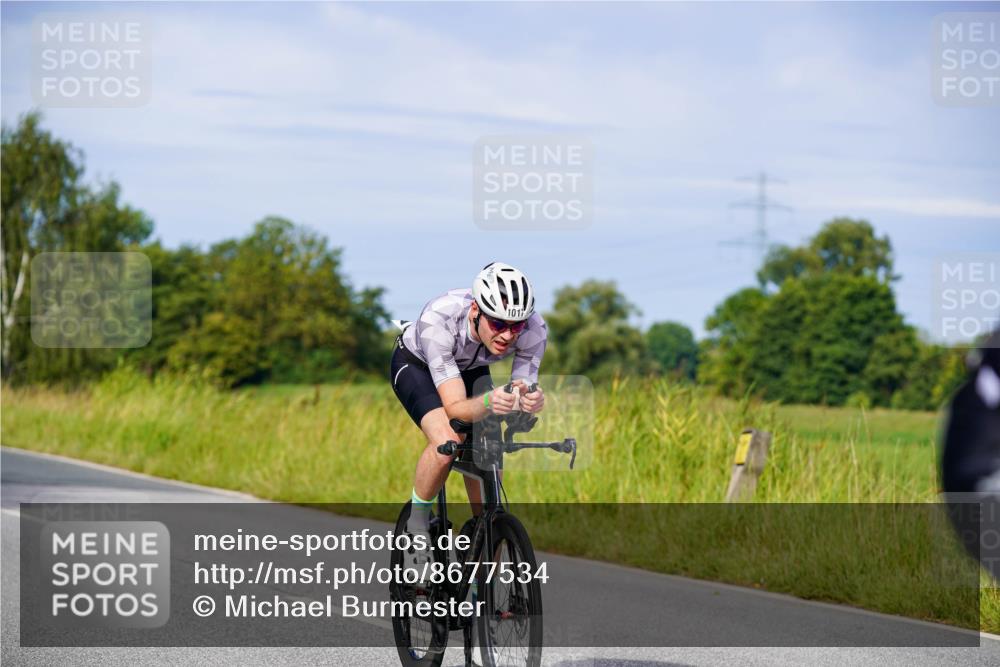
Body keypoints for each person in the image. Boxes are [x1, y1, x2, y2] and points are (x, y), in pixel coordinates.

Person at [389, 262, 547, 571]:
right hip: (418, 366)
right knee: (448, 441)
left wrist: (529, 399)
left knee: (490, 451)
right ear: (476, 310)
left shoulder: (534, 329)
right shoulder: (439, 319)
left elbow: (522, 385)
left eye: (516, 326)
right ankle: (416, 527)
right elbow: (455, 408)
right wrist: (489, 401)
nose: (507, 335)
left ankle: (482, 549)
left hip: (470, 367)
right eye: (498, 324)